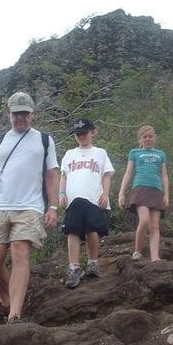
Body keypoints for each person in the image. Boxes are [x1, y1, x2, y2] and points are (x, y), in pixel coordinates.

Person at [0, 91, 59, 324]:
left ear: (32, 114)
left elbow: (52, 175)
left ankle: (14, 316)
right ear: (9, 114)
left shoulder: (44, 140)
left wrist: (53, 207)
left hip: (30, 207)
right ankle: (6, 300)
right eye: (16, 114)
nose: (20, 118)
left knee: (20, 251)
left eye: (24, 114)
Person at [59, 119, 114, 289]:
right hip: (74, 197)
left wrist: (105, 194)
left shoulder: (100, 153)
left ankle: (93, 262)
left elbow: (106, 174)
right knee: (72, 231)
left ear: (93, 132)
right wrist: (61, 193)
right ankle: (74, 267)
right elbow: (63, 175)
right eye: (78, 134)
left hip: (93, 196)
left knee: (92, 229)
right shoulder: (69, 154)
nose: (81, 136)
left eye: (84, 132)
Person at [118, 125, 169, 262]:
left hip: (156, 190)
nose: (148, 139)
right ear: (140, 139)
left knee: (155, 225)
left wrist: (166, 195)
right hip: (140, 189)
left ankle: (155, 257)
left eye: (150, 136)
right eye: (145, 137)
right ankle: (137, 251)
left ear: (155, 138)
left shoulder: (161, 154)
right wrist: (121, 193)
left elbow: (164, 176)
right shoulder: (134, 153)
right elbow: (128, 173)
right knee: (145, 220)